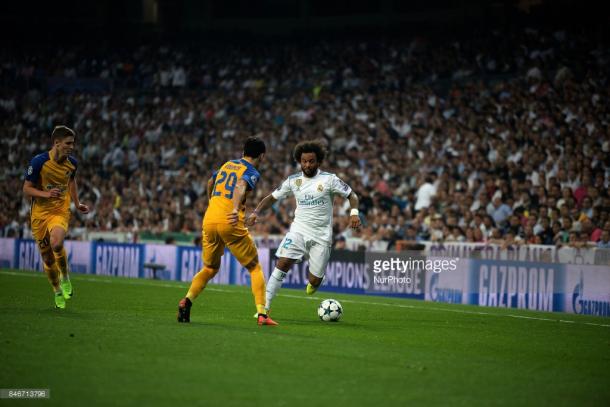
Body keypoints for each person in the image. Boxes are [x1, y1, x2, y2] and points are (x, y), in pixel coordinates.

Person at [247, 140, 361, 315]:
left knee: (314, 281)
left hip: (321, 236)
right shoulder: (293, 181)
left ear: (319, 161)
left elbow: (352, 195)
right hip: (298, 231)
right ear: (299, 161)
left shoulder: (329, 179)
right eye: (304, 161)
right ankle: (264, 308)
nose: (307, 165)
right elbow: (272, 197)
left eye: (311, 161)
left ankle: (316, 281)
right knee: (283, 262)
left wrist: (354, 212)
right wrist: (256, 212)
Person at [177, 137, 277, 326]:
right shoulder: (252, 171)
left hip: (209, 219)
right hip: (229, 221)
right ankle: (262, 314)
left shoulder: (228, 164)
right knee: (254, 268)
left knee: (210, 268)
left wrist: (211, 203)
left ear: (243, 152)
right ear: (262, 156)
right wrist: (233, 208)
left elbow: (210, 182)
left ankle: (187, 300)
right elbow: (240, 185)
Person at [22, 125, 90, 309]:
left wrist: (76, 203)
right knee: (47, 259)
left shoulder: (72, 163)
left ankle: (66, 277)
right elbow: (26, 189)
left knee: (57, 243)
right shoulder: (38, 162)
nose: (71, 147)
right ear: (57, 143)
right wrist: (46, 194)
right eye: (68, 143)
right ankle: (57, 290)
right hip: (39, 214)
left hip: (59, 211)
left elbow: (72, 180)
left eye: (73, 143)